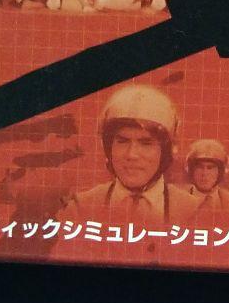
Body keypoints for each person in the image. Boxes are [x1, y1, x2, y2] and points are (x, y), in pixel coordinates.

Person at [61, 85, 200, 226]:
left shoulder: (193, 211)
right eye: (122, 141)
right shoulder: (81, 208)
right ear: (109, 148)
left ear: (165, 152)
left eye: (146, 143)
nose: (132, 154)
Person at [185, 138, 229, 213]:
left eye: (210, 167)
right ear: (191, 170)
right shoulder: (177, 200)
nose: (204, 173)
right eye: (199, 167)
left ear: (221, 171)